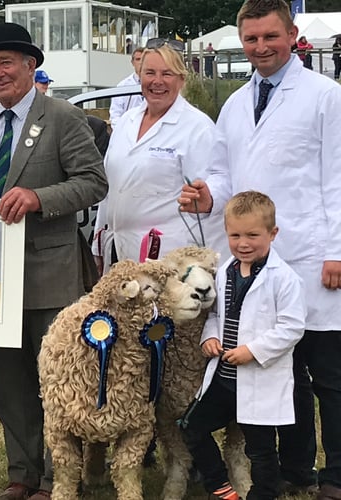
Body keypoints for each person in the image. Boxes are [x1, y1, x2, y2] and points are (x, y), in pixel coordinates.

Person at [179, 0, 341, 497]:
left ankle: (335, 473)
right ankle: (295, 470)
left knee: (328, 375)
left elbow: (337, 176)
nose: (261, 47)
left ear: (293, 35)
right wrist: (209, 196)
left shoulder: (324, 96)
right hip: (256, 259)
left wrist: (337, 248)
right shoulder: (233, 103)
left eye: (271, 36)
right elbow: (226, 174)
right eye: (251, 39)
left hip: (314, 256)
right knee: (279, 369)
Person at [0, 22, 108, 500]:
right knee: (12, 384)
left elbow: (93, 182)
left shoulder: (63, 117)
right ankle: (21, 474)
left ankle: (57, 479)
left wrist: (37, 197)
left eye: (7, 62)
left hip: (51, 273)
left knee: (59, 384)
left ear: (31, 66)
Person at [182, 190, 306, 500]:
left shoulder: (285, 278)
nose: (243, 243)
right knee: (191, 427)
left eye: (253, 234)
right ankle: (220, 487)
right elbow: (217, 316)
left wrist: (252, 351)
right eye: (235, 235)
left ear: (272, 233)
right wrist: (210, 337)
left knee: (260, 451)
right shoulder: (226, 272)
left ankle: (263, 494)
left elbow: (292, 327)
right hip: (225, 379)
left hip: (259, 379)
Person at [93, 40, 225, 275]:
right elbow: (109, 188)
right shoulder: (125, 122)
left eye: (167, 74)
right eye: (150, 73)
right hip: (118, 251)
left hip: (170, 257)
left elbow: (215, 185)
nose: (157, 81)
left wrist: (209, 199)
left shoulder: (198, 127)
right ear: (139, 76)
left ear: (181, 79)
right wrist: (97, 244)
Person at [109, 47, 145, 128]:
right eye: (138, 59)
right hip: (128, 129)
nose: (141, 63)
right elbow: (115, 115)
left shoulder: (156, 84)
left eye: (144, 60)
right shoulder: (122, 86)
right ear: (132, 62)